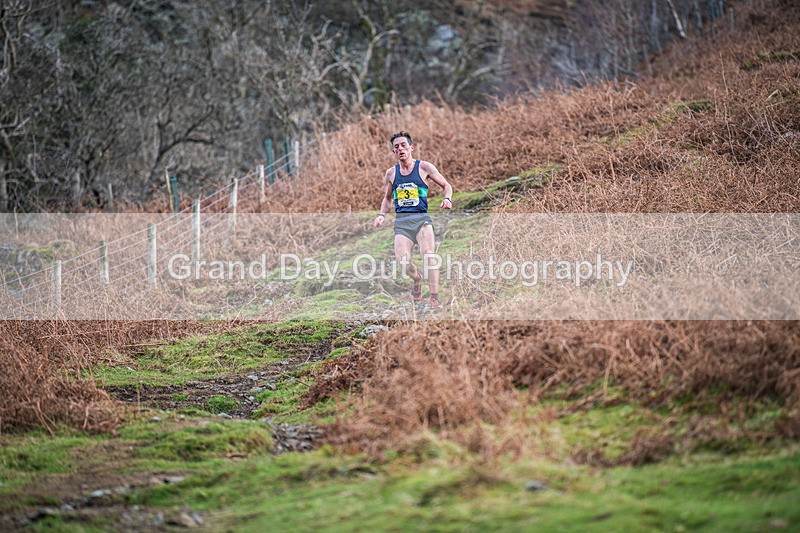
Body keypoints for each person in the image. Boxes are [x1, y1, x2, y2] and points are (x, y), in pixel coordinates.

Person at [374, 131, 453, 310]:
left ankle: (434, 298)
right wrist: (381, 215)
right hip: (402, 222)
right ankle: (416, 279)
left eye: (403, 145)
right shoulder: (391, 174)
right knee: (403, 262)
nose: (400, 149)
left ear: (411, 147)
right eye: (396, 147)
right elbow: (387, 199)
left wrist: (447, 199)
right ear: (393, 152)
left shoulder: (424, 167)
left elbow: (446, 185)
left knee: (429, 256)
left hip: (421, 219)